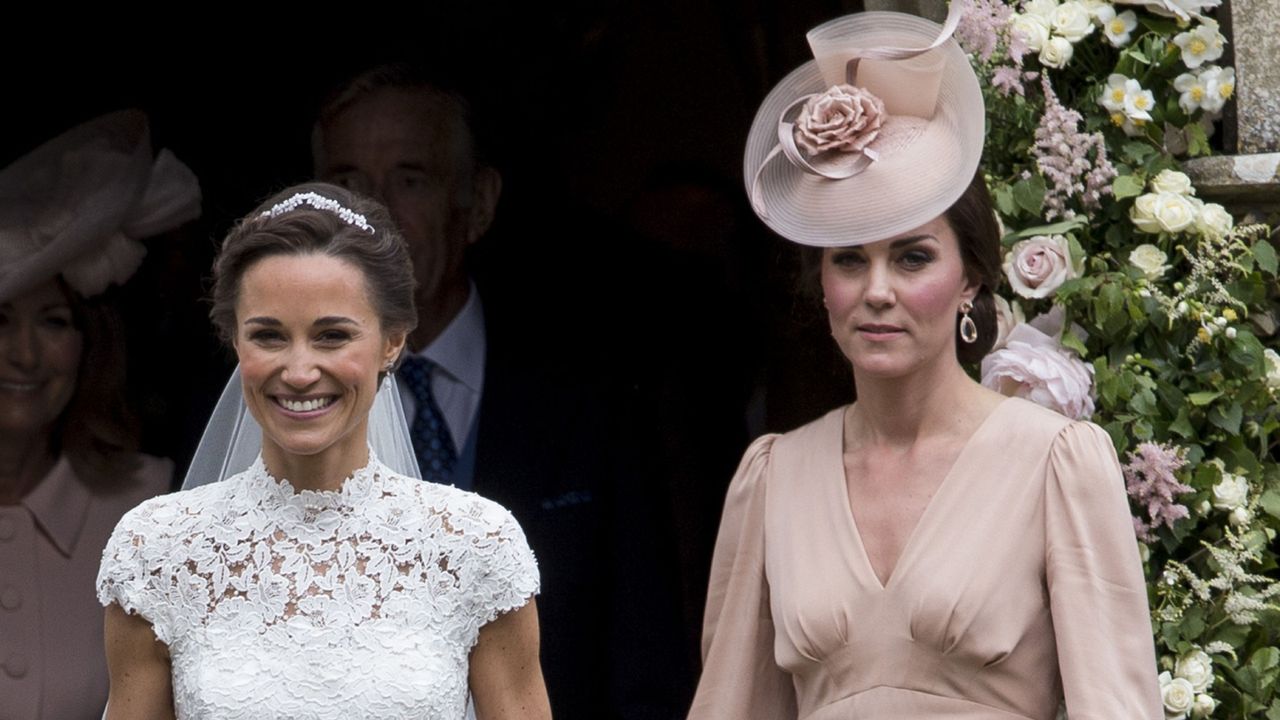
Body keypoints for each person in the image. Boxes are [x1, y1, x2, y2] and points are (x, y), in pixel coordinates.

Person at [689, 8, 1163, 719]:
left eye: (912, 257)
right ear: (823, 284)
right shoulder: (773, 478)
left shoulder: (1053, 464)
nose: (877, 291)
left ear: (971, 277)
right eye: (850, 258)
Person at [312, 65, 687, 718]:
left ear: (478, 204)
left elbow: (644, 663)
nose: (372, 214)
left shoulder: (588, 402)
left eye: (410, 179)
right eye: (346, 183)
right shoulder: (272, 405)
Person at [96, 183, 550, 720]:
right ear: (234, 342)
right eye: (269, 336)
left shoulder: (478, 546)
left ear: (392, 341)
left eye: (332, 336)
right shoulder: (159, 551)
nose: (299, 371)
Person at [0, 110, 199, 720]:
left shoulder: (152, 513)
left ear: (89, 347)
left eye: (54, 322)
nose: (25, 354)